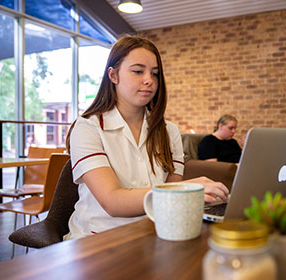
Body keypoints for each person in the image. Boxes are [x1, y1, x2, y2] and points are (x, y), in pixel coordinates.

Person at [64, 36, 229, 239]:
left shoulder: (169, 131)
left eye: (155, 73)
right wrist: (187, 189)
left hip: (153, 232)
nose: (149, 80)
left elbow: (170, 198)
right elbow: (112, 202)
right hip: (98, 239)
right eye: (138, 71)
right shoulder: (87, 127)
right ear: (113, 75)